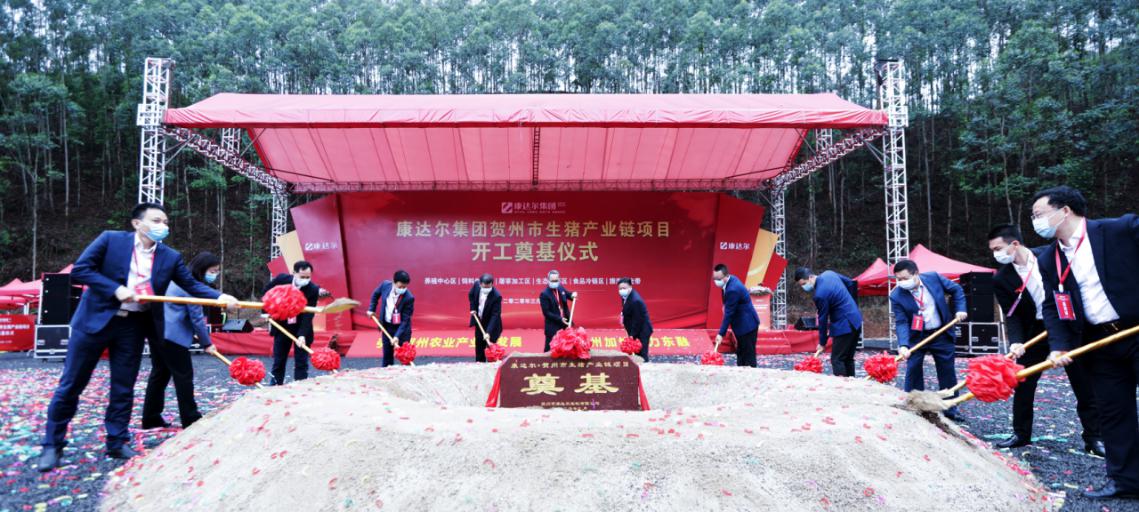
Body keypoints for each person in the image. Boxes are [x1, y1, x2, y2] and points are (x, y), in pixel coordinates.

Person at [36, 203, 238, 472]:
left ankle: (117, 441)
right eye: (156, 220)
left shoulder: (170, 256)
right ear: (137, 223)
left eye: (165, 222)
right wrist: (115, 289)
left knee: (124, 386)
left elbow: (190, 284)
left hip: (132, 326)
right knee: (72, 383)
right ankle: (52, 444)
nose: (162, 226)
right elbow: (81, 270)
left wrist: (220, 296)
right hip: (94, 321)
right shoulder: (111, 240)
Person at [1032, 186, 1139, 500]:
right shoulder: (1048, 259)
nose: (1035, 222)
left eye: (1039, 214)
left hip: (1135, 330)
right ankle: (1126, 481)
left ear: (1064, 210)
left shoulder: (1119, 230)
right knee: (1113, 412)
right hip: (1098, 343)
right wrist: (1059, 344)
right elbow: (1052, 305)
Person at [986, 224, 1103, 454]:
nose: (995, 254)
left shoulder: (1051, 256)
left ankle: (1094, 437)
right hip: (1036, 330)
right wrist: (1016, 341)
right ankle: (1021, 433)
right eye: (992, 250)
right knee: (1023, 382)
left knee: (1083, 383)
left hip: (1067, 326)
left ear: (1015, 244)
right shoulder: (1002, 279)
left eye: (998, 248)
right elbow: (1012, 314)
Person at [141, 252, 226, 430]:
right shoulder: (190, 286)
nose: (215, 274)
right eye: (212, 271)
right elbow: (197, 319)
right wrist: (207, 343)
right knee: (183, 377)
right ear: (201, 269)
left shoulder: (177, 279)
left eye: (217, 271)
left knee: (159, 375)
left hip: (158, 332)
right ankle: (190, 417)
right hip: (172, 337)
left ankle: (150, 417)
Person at [889, 259, 968, 421]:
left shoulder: (933, 278)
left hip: (941, 333)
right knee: (913, 370)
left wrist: (960, 309)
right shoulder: (896, 295)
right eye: (898, 279)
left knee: (947, 371)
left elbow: (956, 289)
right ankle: (915, 407)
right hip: (917, 337)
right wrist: (903, 345)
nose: (902, 282)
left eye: (905, 278)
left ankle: (950, 409)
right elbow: (901, 321)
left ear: (916, 274)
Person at [795, 267, 863, 377]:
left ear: (811, 277)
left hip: (844, 325)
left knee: (837, 359)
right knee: (848, 358)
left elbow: (823, 320)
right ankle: (852, 383)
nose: (804, 287)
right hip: (856, 319)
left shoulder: (820, 294)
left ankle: (842, 385)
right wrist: (852, 305)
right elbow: (851, 283)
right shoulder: (829, 274)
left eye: (804, 283)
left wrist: (822, 343)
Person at [262, 261, 320, 385]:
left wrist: (302, 335)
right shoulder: (281, 280)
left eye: (308, 277)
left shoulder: (313, 289)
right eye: (302, 276)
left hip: (301, 327)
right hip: (282, 326)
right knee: (279, 360)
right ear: (294, 273)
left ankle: (300, 386)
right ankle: (275, 386)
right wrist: (266, 312)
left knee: (301, 362)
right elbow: (266, 293)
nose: (305, 280)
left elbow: (309, 314)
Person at [713, 263, 760, 367]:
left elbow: (729, 314)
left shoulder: (733, 289)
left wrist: (721, 334)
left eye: (718, 279)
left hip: (747, 325)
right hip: (742, 324)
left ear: (726, 276)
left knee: (748, 356)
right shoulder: (730, 280)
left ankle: (751, 373)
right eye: (714, 278)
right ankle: (741, 370)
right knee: (741, 353)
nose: (716, 281)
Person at [368, 270, 415, 367]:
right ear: (394, 282)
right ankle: (387, 374)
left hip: (402, 331)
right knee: (387, 357)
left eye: (404, 287)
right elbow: (375, 294)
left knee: (405, 358)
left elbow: (405, 320)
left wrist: (397, 336)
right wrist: (371, 309)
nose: (402, 289)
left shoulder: (409, 298)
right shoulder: (385, 285)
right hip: (387, 327)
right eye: (400, 287)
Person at [539, 270, 576, 351]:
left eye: (556, 280)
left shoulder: (560, 288)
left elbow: (567, 294)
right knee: (549, 351)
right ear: (548, 280)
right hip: (553, 327)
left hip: (565, 325)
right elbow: (546, 313)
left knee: (565, 349)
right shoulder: (544, 294)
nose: (554, 283)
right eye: (552, 281)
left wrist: (572, 295)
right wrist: (560, 319)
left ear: (559, 280)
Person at [469, 274, 502, 362]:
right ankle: (479, 365)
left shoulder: (497, 296)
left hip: (492, 324)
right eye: (484, 287)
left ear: (492, 284)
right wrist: (473, 308)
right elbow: (471, 295)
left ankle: (492, 367)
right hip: (479, 320)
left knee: (491, 349)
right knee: (479, 345)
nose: (486, 289)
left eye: (488, 287)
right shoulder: (476, 286)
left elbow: (495, 315)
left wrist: (488, 332)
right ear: (480, 284)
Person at [618, 278, 653, 361]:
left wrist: (632, 335)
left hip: (642, 331)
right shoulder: (626, 296)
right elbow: (626, 308)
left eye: (624, 288)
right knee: (637, 354)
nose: (622, 290)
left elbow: (637, 320)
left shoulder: (635, 300)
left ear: (630, 287)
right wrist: (622, 315)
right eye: (620, 288)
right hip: (635, 329)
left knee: (642, 354)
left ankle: (644, 367)